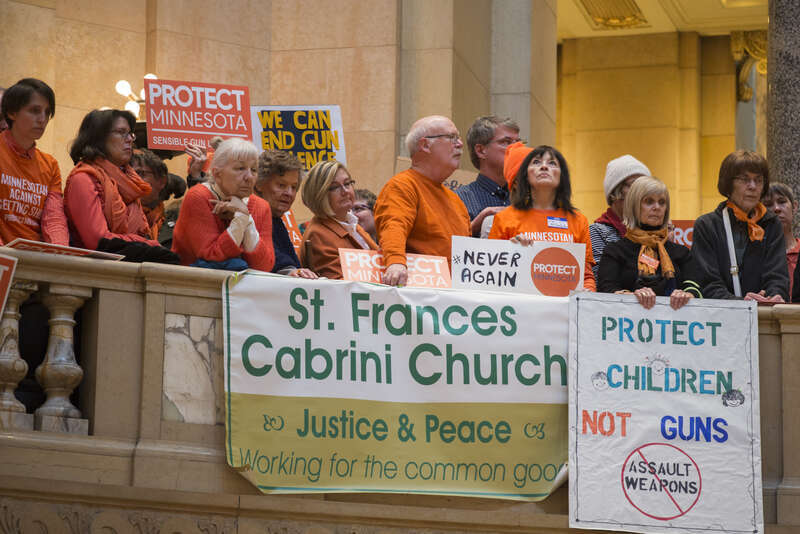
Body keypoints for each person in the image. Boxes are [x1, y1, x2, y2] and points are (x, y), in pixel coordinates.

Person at [64, 109, 178, 263]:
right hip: (94, 269)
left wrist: (145, 243)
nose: (130, 139)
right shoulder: (82, 179)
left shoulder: (130, 182)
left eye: (130, 134)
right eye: (121, 132)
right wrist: (146, 243)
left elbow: (142, 236)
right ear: (99, 137)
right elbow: (96, 240)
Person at [374, 115, 470, 286]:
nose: (460, 144)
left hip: (457, 293)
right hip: (421, 294)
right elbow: (394, 226)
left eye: (458, 137)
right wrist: (395, 262)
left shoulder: (455, 200)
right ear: (425, 145)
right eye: (451, 137)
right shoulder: (402, 186)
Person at [489, 143, 596, 291]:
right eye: (536, 162)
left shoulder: (579, 221)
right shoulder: (504, 218)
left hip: (565, 303)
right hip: (519, 301)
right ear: (525, 175)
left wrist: (587, 294)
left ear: (562, 176)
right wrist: (511, 251)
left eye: (552, 163)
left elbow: (586, 277)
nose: (544, 167)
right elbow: (493, 274)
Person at [692, 150, 788, 302]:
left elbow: (777, 276)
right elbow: (708, 283)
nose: (753, 186)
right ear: (728, 184)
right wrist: (742, 305)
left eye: (758, 180)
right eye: (745, 179)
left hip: (764, 312)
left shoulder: (772, 223)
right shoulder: (707, 226)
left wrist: (774, 296)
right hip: (722, 313)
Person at [597, 176, 700, 309]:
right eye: (649, 201)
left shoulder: (682, 253)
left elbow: (696, 287)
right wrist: (630, 297)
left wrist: (687, 295)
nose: (657, 207)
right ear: (634, 206)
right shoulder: (614, 252)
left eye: (662, 202)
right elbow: (605, 290)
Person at [172, 138, 275, 271]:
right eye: (240, 168)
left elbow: (264, 266)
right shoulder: (198, 197)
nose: (249, 177)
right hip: (193, 282)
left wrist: (245, 218)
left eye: (254, 170)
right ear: (217, 173)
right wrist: (240, 221)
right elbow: (212, 255)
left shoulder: (261, 206)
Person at [0, 78, 68, 246]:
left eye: (47, 112)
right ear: (12, 113)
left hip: (36, 256)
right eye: (35, 110)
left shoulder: (50, 164)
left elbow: (54, 219)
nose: (42, 119)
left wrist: (59, 252)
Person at [299, 159, 378, 279]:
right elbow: (338, 284)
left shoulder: (350, 222)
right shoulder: (318, 234)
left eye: (347, 183)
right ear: (319, 194)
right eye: (335, 187)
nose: (345, 191)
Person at [255, 149, 316, 278]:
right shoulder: (252, 214)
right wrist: (290, 271)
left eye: (293, 187)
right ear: (259, 184)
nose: (289, 193)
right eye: (281, 185)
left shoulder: (275, 218)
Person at [457, 116, 521, 236]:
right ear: (481, 151)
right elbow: (450, 243)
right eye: (506, 142)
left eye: (518, 143)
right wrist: (478, 223)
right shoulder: (459, 199)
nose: (516, 149)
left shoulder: (528, 198)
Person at [589, 155, 650, 278]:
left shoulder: (651, 232)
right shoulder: (597, 232)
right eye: (635, 185)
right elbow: (600, 279)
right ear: (616, 191)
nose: (642, 192)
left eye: (645, 186)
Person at [762, 182, 800, 299]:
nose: (776, 209)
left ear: (794, 206)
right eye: (768, 204)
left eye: (782, 202)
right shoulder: (755, 255)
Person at [130, 149, 168, 240]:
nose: (132, 179)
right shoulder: (113, 220)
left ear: (161, 181)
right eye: (127, 173)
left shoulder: (176, 223)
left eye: (140, 173)